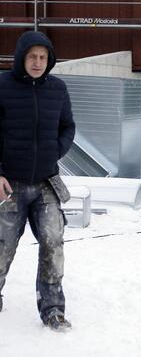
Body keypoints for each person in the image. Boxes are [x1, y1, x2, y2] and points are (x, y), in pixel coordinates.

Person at [0, 31, 76, 331]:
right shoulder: (3, 86)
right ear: (21, 57)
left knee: (53, 242)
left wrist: (53, 151)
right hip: (10, 185)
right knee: (3, 246)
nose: (37, 62)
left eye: (43, 57)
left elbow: (68, 126)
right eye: (32, 56)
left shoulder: (57, 89)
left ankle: (53, 309)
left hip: (46, 182)